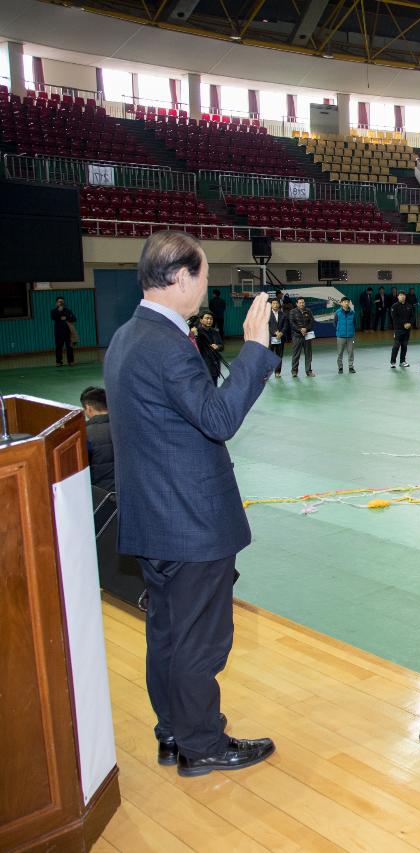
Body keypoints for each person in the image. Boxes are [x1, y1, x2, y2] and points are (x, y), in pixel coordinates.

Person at [102, 230, 277, 777]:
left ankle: (174, 732)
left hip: (153, 519)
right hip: (191, 523)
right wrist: (255, 351)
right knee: (201, 641)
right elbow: (218, 419)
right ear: (181, 278)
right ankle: (202, 744)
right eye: (202, 275)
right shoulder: (167, 346)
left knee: (168, 635)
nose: (205, 286)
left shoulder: (127, 337)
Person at [80, 386, 114, 492]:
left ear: (88, 408)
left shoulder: (83, 433)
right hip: (132, 492)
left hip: (101, 495)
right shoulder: (128, 426)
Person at [193, 311, 224, 385]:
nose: (209, 321)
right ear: (201, 320)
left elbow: (222, 346)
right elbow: (196, 348)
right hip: (202, 366)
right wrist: (196, 335)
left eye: (211, 319)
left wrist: (218, 347)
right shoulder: (196, 332)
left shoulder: (215, 332)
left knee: (214, 386)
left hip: (214, 366)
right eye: (207, 318)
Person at [288, 296, 315, 377]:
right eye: (300, 303)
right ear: (297, 304)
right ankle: (294, 371)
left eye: (303, 302)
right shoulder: (292, 312)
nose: (302, 304)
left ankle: (308, 371)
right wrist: (300, 330)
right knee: (296, 354)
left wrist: (306, 329)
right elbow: (292, 323)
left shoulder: (308, 311)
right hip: (297, 336)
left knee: (308, 354)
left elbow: (312, 322)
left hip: (307, 335)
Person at [389, 292, 413, 368]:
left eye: (403, 295)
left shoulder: (409, 306)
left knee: (404, 346)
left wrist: (410, 323)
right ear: (398, 297)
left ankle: (402, 361)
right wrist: (404, 324)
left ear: (405, 297)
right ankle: (393, 362)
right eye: (400, 295)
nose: (402, 297)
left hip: (407, 330)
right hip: (398, 329)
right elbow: (394, 318)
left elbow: (412, 316)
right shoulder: (394, 306)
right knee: (396, 346)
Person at [51, 295, 77, 366]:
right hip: (58, 332)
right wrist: (59, 312)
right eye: (59, 302)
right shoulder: (53, 311)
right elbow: (53, 317)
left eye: (62, 301)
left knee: (69, 347)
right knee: (58, 347)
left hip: (68, 332)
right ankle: (58, 362)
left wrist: (66, 317)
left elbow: (74, 319)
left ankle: (71, 361)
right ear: (56, 303)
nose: (61, 303)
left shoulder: (68, 310)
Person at [267, 297, 285, 378]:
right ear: (271, 305)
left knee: (279, 356)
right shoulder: (267, 314)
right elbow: (267, 325)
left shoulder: (283, 314)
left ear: (279, 304)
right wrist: (275, 332)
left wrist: (281, 333)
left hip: (280, 338)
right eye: (273, 303)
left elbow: (286, 325)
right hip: (270, 338)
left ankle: (277, 372)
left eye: (277, 303)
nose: (275, 305)